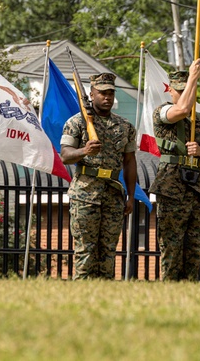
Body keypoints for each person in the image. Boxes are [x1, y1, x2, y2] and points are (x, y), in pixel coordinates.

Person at [148, 59, 200, 281]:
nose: (182, 94)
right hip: (172, 188)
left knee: (194, 245)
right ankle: (170, 291)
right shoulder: (162, 112)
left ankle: (189, 291)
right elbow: (181, 109)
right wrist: (192, 77)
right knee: (172, 246)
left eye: (187, 90)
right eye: (178, 90)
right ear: (170, 90)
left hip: (196, 189)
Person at [60, 72, 137, 280]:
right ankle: (83, 295)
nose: (107, 97)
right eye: (102, 93)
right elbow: (65, 155)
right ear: (91, 94)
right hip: (86, 193)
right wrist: (84, 151)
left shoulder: (125, 127)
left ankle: (104, 293)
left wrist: (130, 195)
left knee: (109, 250)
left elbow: (129, 161)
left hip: (113, 193)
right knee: (85, 249)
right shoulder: (77, 122)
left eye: (111, 93)